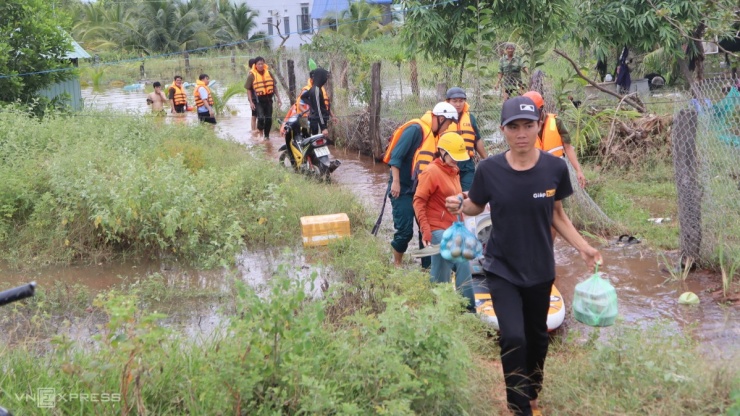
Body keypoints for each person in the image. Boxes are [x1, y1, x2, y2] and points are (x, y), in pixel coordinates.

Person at [444, 96, 602, 416]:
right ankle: (519, 407)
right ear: (503, 130)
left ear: (538, 126)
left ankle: (532, 390)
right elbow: (476, 204)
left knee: (538, 339)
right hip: (502, 267)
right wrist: (461, 204)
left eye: (528, 126)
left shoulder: (554, 168)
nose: (521, 133)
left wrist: (584, 247)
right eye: (513, 127)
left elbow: (557, 215)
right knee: (513, 337)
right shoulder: (489, 169)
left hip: (540, 269)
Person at [384, 102, 458, 267]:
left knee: (427, 229)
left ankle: (427, 268)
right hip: (402, 189)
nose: (447, 128)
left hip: (421, 191)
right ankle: (397, 264)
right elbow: (396, 156)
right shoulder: (415, 130)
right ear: (440, 118)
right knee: (405, 231)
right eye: (447, 124)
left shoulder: (435, 137)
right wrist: (395, 182)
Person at [413, 132, 475, 311]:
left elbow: (451, 196)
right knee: (462, 261)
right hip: (436, 229)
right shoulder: (431, 172)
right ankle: (469, 312)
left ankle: (436, 310)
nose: (457, 161)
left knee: (440, 272)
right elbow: (418, 201)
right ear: (442, 151)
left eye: (459, 158)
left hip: (452, 227)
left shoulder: (453, 171)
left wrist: (464, 195)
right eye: (454, 157)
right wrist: (425, 230)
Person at [523, 91, 586, 189]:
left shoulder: (556, 122)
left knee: (556, 202)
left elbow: (568, 148)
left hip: (554, 173)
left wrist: (578, 170)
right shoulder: (523, 128)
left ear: (541, 109)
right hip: (534, 175)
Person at [445, 87, 487, 191]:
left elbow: (477, 140)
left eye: (461, 101)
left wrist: (486, 159)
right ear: (448, 101)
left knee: (468, 195)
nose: (458, 104)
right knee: (449, 195)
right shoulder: (441, 118)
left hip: (466, 163)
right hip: (447, 163)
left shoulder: (470, 118)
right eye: (454, 101)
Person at [245, 57, 283, 139]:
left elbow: (274, 87)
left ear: (264, 64)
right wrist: (251, 102)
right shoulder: (251, 76)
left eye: (262, 64)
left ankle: (266, 136)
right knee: (261, 118)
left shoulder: (269, 73)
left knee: (269, 119)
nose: (261, 65)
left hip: (269, 100)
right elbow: (248, 90)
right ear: (255, 65)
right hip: (258, 101)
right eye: (259, 64)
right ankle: (260, 133)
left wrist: (279, 98)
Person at [300, 68, 332, 137]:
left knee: (317, 142)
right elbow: (318, 110)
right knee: (317, 142)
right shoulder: (316, 90)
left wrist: (312, 104)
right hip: (317, 121)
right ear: (320, 77)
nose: (326, 80)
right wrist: (323, 127)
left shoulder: (315, 88)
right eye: (325, 77)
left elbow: (303, 97)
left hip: (317, 119)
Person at [247, 58, 258, 132]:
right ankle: (253, 130)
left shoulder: (253, 73)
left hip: (253, 97)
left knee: (255, 115)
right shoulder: (251, 74)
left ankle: (255, 130)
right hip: (253, 97)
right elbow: (249, 88)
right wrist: (251, 101)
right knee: (254, 115)